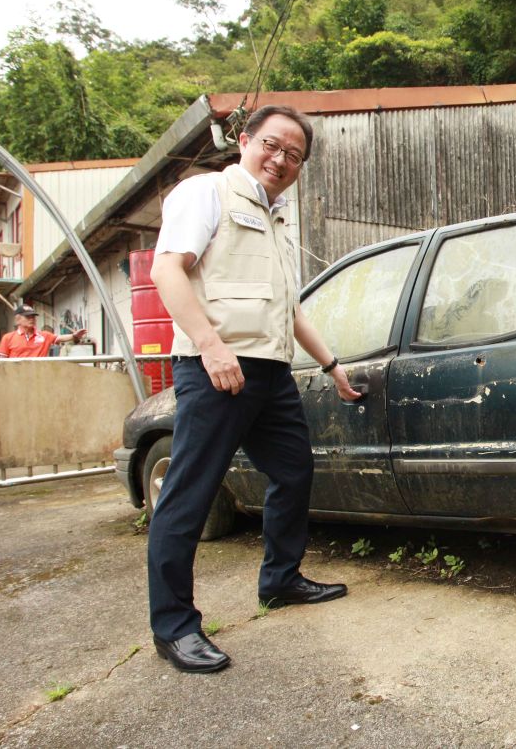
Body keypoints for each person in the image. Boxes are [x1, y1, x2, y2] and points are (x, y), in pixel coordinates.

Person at [147, 104, 360, 674]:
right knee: (190, 493)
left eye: (294, 155)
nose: (281, 159)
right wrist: (210, 346)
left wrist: (332, 366)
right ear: (244, 140)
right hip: (215, 367)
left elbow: (290, 310)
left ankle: (281, 580)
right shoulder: (207, 193)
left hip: (269, 371)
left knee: (294, 470)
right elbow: (167, 270)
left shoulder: (280, 218)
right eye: (272, 145)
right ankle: (174, 627)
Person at [0, 304, 87, 357]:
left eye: (33, 317)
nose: (31, 319)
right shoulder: (8, 338)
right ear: (18, 319)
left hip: (38, 377)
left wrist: (74, 335)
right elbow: (2, 361)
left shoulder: (44, 336)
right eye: (28, 317)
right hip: (16, 378)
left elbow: (59, 338)